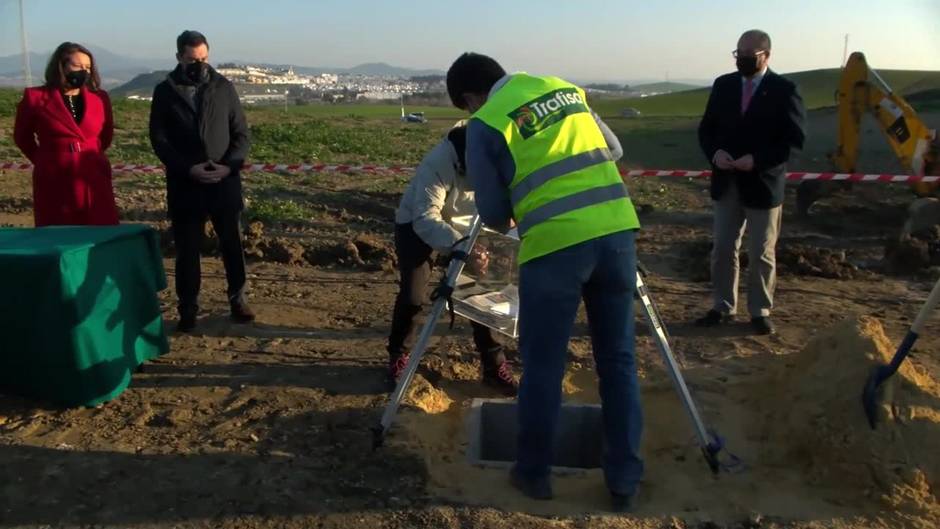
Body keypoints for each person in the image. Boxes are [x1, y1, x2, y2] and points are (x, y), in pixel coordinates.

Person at [447, 52, 642, 511]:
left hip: (555, 247)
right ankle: (624, 481)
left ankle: (533, 473)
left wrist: (523, 192)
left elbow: (494, 214)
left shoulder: (487, 121)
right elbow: (612, 150)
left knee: (543, 366)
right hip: (616, 235)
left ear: (473, 97)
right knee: (618, 362)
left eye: (467, 107)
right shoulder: (564, 89)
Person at [387, 121, 518, 396]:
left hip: (470, 227)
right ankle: (400, 355)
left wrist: (490, 241)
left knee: (483, 295)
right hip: (418, 226)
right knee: (414, 296)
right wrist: (459, 247)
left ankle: (494, 366)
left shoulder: (497, 157)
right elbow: (426, 217)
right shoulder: (438, 162)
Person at [695, 29, 806, 336]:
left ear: (766, 56)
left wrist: (757, 160)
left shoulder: (784, 90)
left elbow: (793, 142)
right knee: (722, 249)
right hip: (726, 182)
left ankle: (759, 310)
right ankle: (722, 306)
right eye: (738, 54)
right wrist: (715, 153)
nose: (741, 60)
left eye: (748, 55)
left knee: (760, 252)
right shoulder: (724, 85)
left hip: (763, 185)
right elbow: (706, 129)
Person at [148, 30, 253, 332]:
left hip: (224, 182)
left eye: (204, 59)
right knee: (187, 249)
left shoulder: (223, 87)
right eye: (193, 60)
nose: (200, 65)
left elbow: (241, 135)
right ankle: (188, 306)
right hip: (186, 184)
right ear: (179, 57)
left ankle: (238, 298)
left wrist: (228, 167)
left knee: (232, 243)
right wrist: (187, 168)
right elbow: (159, 139)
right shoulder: (165, 91)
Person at [13, 42, 119, 227]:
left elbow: (106, 135)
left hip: (93, 173)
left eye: (87, 67)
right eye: (78, 66)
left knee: (98, 227)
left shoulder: (100, 98)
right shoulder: (35, 97)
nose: (83, 71)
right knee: (59, 229)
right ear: (61, 65)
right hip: (54, 175)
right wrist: (44, 159)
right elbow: (22, 136)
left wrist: (91, 152)